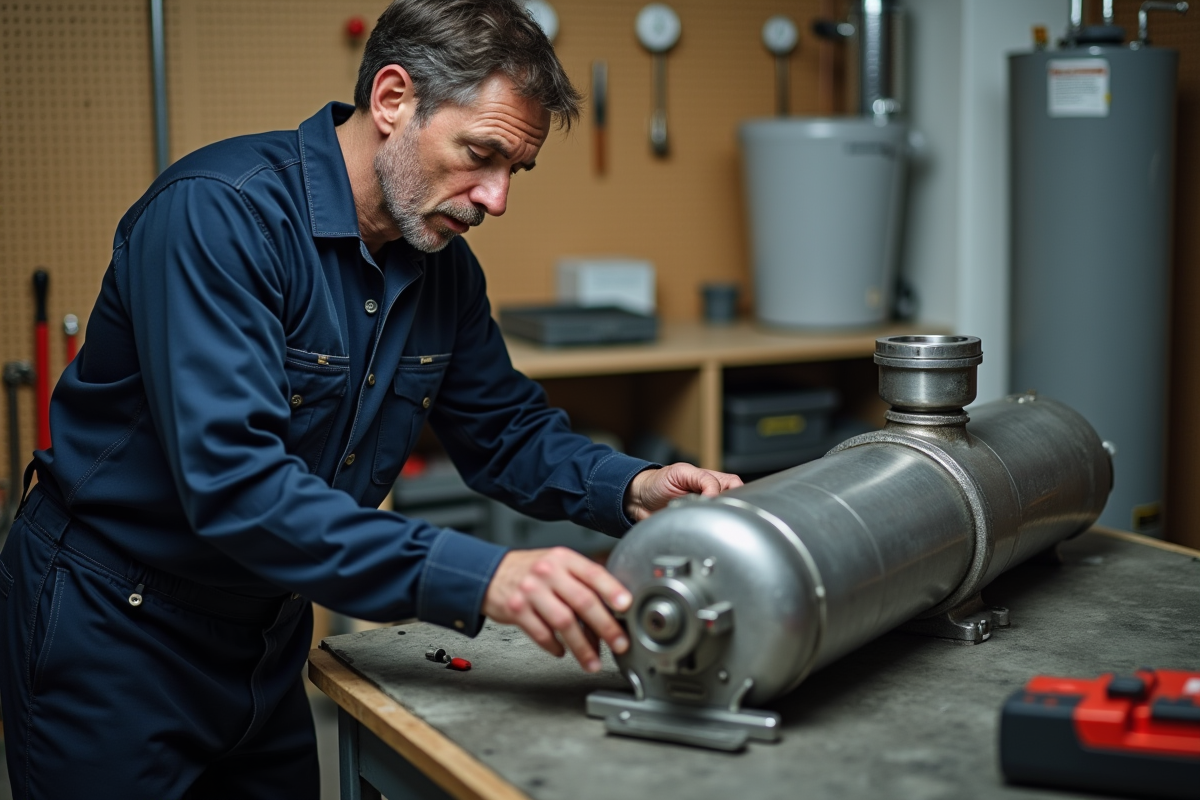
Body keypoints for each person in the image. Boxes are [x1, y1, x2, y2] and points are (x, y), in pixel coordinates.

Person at [0, 0, 741, 797]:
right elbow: (238, 486)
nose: (496, 200)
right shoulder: (220, 216)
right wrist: (485, 577)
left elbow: (505, 431)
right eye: (482, 154)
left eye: (513, 171)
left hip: (266, 627)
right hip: (114, 624)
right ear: (392, 99)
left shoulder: (441, 263)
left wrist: (633, 488)